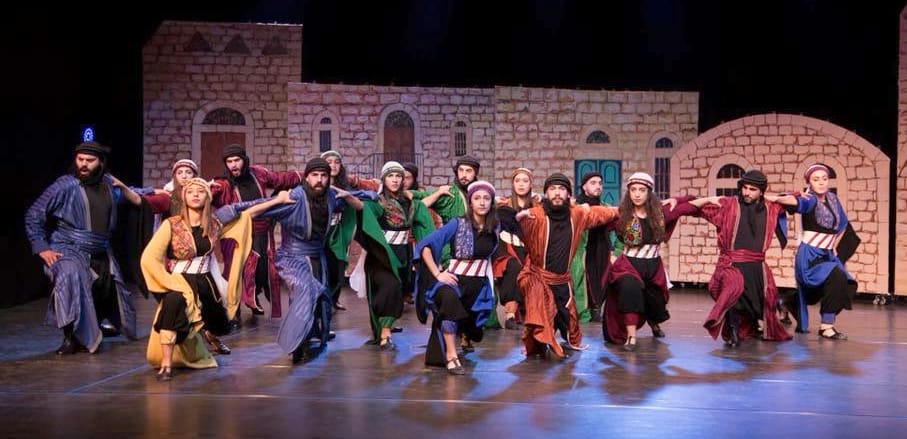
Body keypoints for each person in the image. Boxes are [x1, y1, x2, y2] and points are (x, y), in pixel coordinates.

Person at [140, 178, 290, 379]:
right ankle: (166, 364)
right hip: (179, 281)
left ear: (208, 197)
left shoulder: (214, 223)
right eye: (190, 191)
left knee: (220, 323)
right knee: (172, 308)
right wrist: (167, 282)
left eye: (200, 191)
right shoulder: (172, 225)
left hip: (205, 282)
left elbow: (247, 214)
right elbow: (149, 257)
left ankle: (210, 336)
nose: (195, 194)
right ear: (184, 197)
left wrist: (278, 200)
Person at [219, 158, 365, 363]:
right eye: (315, 175)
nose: (319, 180)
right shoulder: (295, 197)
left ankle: (312, 335)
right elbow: (252, 209)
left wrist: (347, 194)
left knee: (320, 298)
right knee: (304, 291)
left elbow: (363, 201)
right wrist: (275, 201)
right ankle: (297, 344)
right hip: (292, 257)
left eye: (324, 175)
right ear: (306, 177)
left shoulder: (331, 196)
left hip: (317, 256)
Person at [24, 141, 143, 354]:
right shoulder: (65, 185)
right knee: (70, 278)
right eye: (80, 159)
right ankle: (70, 337)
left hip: (99, 247)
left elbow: (136, 196)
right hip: (68, 246)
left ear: (101, 163)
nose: (84, 164)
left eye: (90, 160)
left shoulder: (108, 185)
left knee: (105, 288)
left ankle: (94, 328)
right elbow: (34, 214)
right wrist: (42, 247)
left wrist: (159, 191)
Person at [514, 173, 618, 359]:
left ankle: (568, 340)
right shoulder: (535, 215)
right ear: (546, 193)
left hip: (561, 279)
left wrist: (621, 210)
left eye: (562, 189)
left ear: (568, 194)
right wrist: (518, 217)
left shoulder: (577, 214)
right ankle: (538, 342)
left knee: (567, 317)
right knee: (540, 320)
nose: (557, 193)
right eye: (552, 189)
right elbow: (504, 218)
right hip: (538, 278)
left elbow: (600, 213)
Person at [694, 169, 793, 347]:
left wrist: (772, 197)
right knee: (733, 290)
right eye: (744, 188)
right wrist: (706, 199)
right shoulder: (729, 205)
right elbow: (693, 208)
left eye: (752, 189)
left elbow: (795, 200)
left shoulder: (770, 207)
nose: (746, 192)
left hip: (756, 264)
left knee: (763, 299)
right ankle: (733, 331)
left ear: (761, 191)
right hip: (732, 263)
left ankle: (754, 324)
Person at [600, 172, 699, 351]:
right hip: (628, 265)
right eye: (633, 190)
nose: (637, 194)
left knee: (655, 300)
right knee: (630, 291)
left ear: (649, 192)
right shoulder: (621, 214)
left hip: (653, 266)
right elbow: (598, 223)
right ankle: (631, 336)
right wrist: (609, 253)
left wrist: (675, 199)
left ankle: (654, 323)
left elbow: (691, 203)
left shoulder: (661, 213)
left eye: (642, 190)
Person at [414, 180, 498, 375]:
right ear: (470, 202)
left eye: (486, 198)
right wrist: (438, 274)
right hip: (454, 281)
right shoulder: (457, 223)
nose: (482, 202)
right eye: (477, 198)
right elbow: (425, 246)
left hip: (478, 286)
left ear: (491, 202)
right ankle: (452, 356)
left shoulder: (494, 226)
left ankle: (462, 338)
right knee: (449, 304)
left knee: (473, 328)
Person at [211, 144, 303, 319]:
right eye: (229, 162)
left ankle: (254, 300)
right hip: (237, 235)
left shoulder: (258, 173)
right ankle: (234, 313)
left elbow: (282, 178)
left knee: (264, 272)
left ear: (244, 160)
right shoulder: (222, 183)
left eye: (236, 160)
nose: (233, 165)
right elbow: (207, 193)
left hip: (262, 232)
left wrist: (310, 175)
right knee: (236, 272)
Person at [772, 164, 860, 339]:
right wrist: (772, 197)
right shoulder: (809, 199)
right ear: (809, 183)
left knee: (837, 286)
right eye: (816, 179)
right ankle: (826, 326)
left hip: (827, 254)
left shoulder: (833, 199)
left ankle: (786, 302)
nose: (821, 182)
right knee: (836, 277)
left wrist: (834, 245)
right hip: (810, 255)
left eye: (824, 179)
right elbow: (794, 202)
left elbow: (842, 224)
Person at [352, 161, 434, 349]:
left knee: (398, 292)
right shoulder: (377, 202)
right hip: (381, 255)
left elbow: (422, 216)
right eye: (391, 176)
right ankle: (385, 334)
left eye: (399, 176)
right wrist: (350, 197)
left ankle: (384, 328)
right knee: (390, 286)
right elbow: (362, 208)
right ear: (384, 179)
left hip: (403, 255)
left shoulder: (411, 203)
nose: (395, 180)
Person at [321, 150, 379, 311]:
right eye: (329, 162)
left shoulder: (344, 185)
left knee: (338, 265)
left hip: (337, 231)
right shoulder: (318, 184)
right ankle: (323, 300)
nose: (333, 165)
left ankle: (334, 298)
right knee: (322, 265)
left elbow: (360, 195)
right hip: (321, 231)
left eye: (336, 162)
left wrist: (364, 193)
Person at [492, 167, 538, 329]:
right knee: (513, 268)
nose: (521, 184)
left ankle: (530, 313)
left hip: (528, 248)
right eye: (517, 181)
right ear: (512, 184)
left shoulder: (537, 205)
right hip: (506, 247)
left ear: (531, 184)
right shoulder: (504, 204)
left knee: (532, 272)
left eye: (525, 181)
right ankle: (510, 315)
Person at [572, 172, 610, 322]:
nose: (598, 186)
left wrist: (617, 251)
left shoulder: (605, 207)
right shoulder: (576, 206)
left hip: (600, 246)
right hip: (581, 248)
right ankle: (581, 310)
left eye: (600, 183)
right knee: (581, 278)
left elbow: (619, 226)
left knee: (600, 279)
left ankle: (596, 307)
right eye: (593, 183)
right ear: (584, 186)